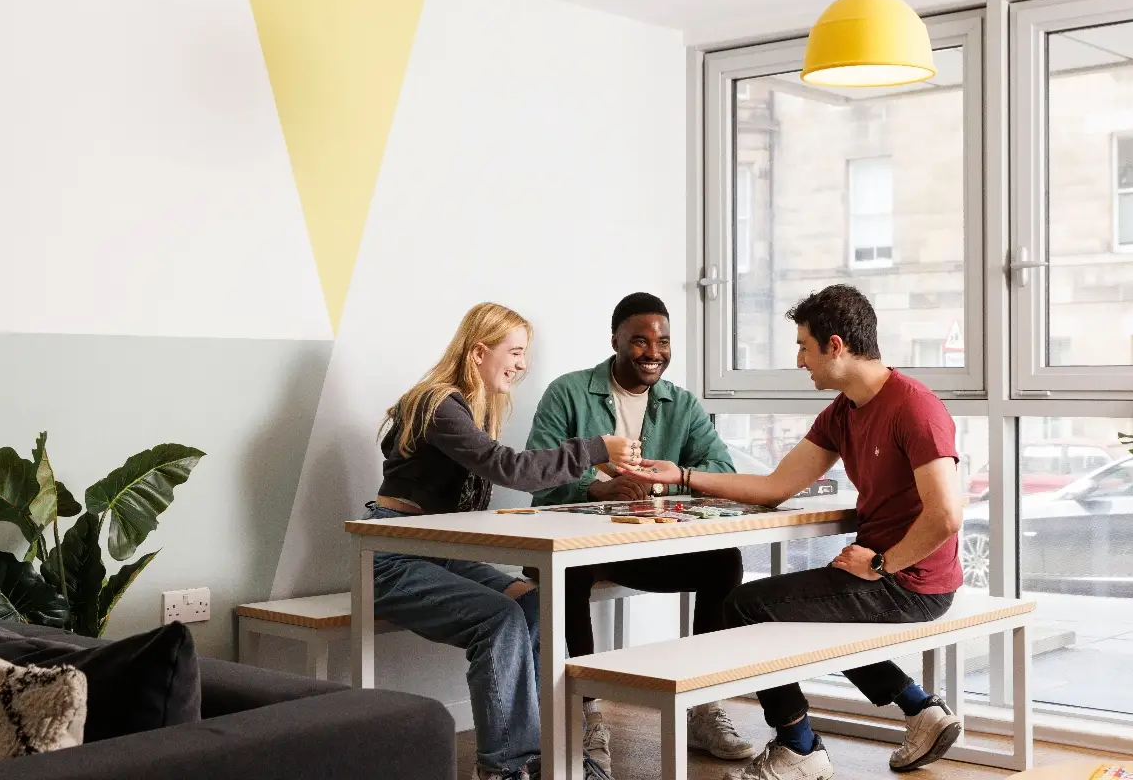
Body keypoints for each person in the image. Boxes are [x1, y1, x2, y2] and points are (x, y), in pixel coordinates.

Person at [621, 285, 965, 780]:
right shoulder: (843, 411)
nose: (800, 360)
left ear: (836, 345)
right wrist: (683, 476)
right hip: (883, 572)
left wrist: (881, 563)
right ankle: (919, 708)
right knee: (800, 606)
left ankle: (798, 746)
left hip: (911, 582)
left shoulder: (914, 407)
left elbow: (946, 516)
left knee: (743, 607)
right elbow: (775, 485)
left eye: (804, 346)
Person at [366, 302, 640, 780]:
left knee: (533, 605)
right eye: (514, 351)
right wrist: (595, 448)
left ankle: (555, 754)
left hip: (440, 554)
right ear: (478, 352)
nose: (522, 364)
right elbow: (510, 468)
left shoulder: (468, 409)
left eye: (524, 354)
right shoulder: (437, 404)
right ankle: (504, 768)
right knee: (500, 619)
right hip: (390, 556)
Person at [525, 292, 757, 774]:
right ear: (615, 341)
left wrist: (669, 481)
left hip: (641, 546)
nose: (654, 351)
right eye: (640, 340)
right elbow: (538, 474)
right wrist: (597, 488)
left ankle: (702, 701)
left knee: (724, 561)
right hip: (572, 545)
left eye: (663, 340)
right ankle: (588, 714)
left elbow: (720, 466)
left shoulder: (682, 403)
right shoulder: (567, 393)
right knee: (571, 567)